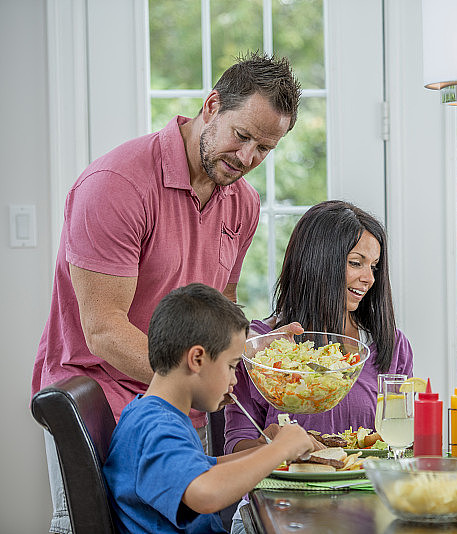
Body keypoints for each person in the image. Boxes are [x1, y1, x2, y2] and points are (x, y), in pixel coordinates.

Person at [31, 51, 302, 533]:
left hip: (175, 403)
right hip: (104, 399)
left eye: (264, 148)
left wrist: (248, 350)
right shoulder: (116, 186)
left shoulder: (242, 203)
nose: (247, 159)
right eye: (242, 136)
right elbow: (104, 330)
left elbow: (217, 311)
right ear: (212, 106)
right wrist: (199, 380)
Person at [225, 200, 414, 534]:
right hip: (275, 511)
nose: (368, 278)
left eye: (374, 266)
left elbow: (402, 444)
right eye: (356, 263)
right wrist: (273, 446)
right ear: (317, 262)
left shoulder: (390, 345)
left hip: (365, 511)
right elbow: (237, 445)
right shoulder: (259, 347)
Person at [103, 283, 316, 534]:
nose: (234, 379)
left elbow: (206, 468)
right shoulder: (156, 426)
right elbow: (205, 493)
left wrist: (264, 449)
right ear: (197, 359)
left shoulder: (150, 413)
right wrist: (280, 450)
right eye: (231, 366)